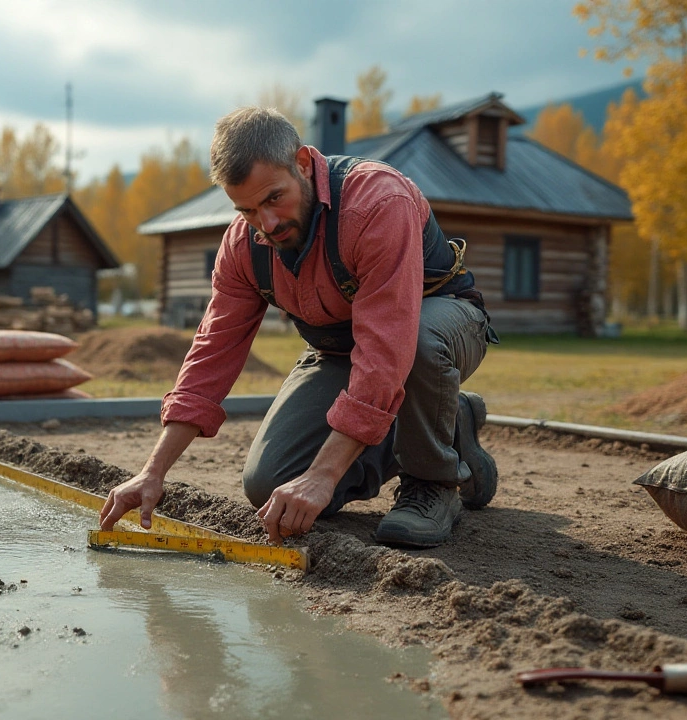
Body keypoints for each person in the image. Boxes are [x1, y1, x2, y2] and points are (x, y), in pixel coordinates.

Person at [98, 107, 498, 548]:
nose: (266, 225)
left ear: (304, 164)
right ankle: (448, 418)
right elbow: (213, 352)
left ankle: (432, 484)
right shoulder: (243, 245)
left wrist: (324, 475)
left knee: (418, 343)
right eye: (247, 209)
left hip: (439, 326)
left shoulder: (378, 203)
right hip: (340, 351)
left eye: (274, 198)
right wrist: (152, 472)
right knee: (270, 486)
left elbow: (387, 350)